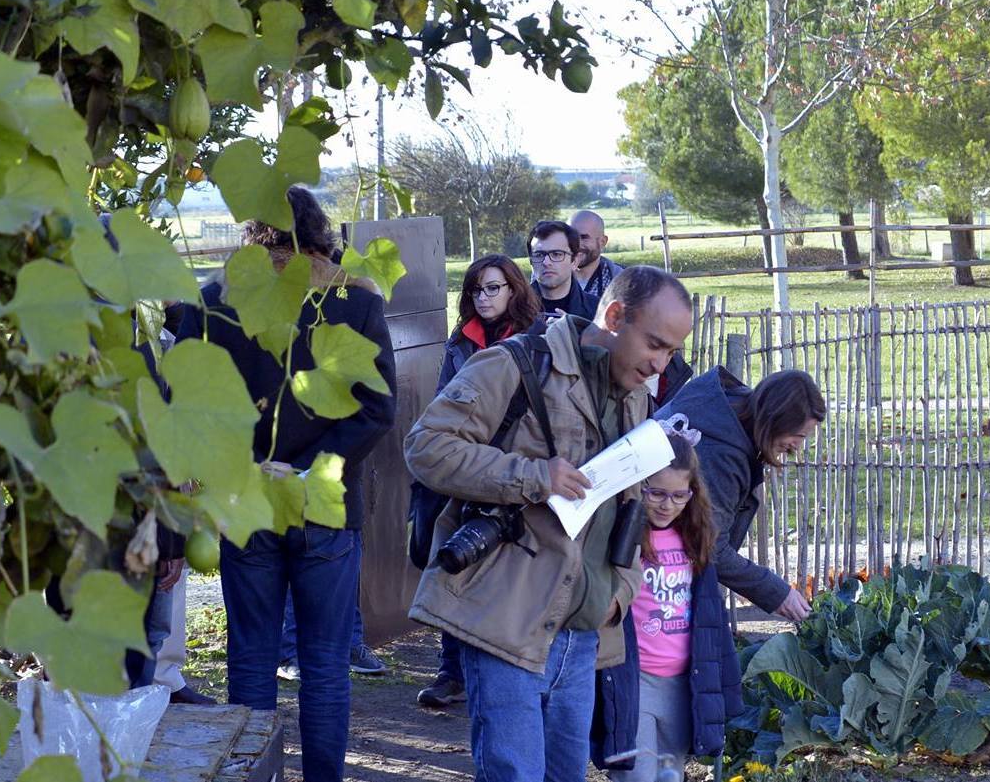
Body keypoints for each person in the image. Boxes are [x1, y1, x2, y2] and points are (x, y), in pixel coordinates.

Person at [406, 266, 695, 782]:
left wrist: (621, 593)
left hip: (582, 640)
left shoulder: (634, 396)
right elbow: (425, 449)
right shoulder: (515, 364)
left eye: (671, 352)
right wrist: (534, 476)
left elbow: (633, 506)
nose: (660, 364)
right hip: (504, 624)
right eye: (655, 344)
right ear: (614, 317)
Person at [168, 186, 396, 782]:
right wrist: (311, 467)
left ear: (253, 231)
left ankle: (254, 776)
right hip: (326, 500)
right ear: (319, 231)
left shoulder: (217, 299)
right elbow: (378, 410)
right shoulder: (356, 301)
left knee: (251, 659)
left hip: (245, 498)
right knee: (323, 663)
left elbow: (188, 403)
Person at [415, 254, 542, 708]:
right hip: (464, 470)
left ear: (513, 290)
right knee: (455, 562)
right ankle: (452, 671)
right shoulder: (460, 341)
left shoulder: (535, 339)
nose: (483, 298)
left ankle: (510, 667)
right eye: (475, 290)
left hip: (517, 472)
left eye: (493, 289)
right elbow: (442, 404)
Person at [592, 430, 743, 781]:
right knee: (636, 776)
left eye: (679, 495)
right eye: (656, 493)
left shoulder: (695, 538)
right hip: (635, 679)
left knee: (670, 774)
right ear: (639, 486)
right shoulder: (625, 536)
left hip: (682, 682)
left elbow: (710, 621)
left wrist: (722, 683)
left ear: (693, 494)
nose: (667, 504)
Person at [654, 369, 824, 623]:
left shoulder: (721, 407)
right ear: (776, 420)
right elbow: (710, 546)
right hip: (654, 573)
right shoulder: (721, 454)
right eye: (798, 435)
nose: (798, 446)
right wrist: (778, 593)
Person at [528, 220, 598, 320]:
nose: (546, 262)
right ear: (531, 262)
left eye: (557, 254)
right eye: (539, 255)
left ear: (574, 261)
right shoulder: (511, 309)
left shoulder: (598, 311)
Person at [570, 210, 624, 302]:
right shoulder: (550, 275)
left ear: (602, 242)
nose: (576, 244)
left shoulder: (620, 282)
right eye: (571, 237)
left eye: (584, 237)